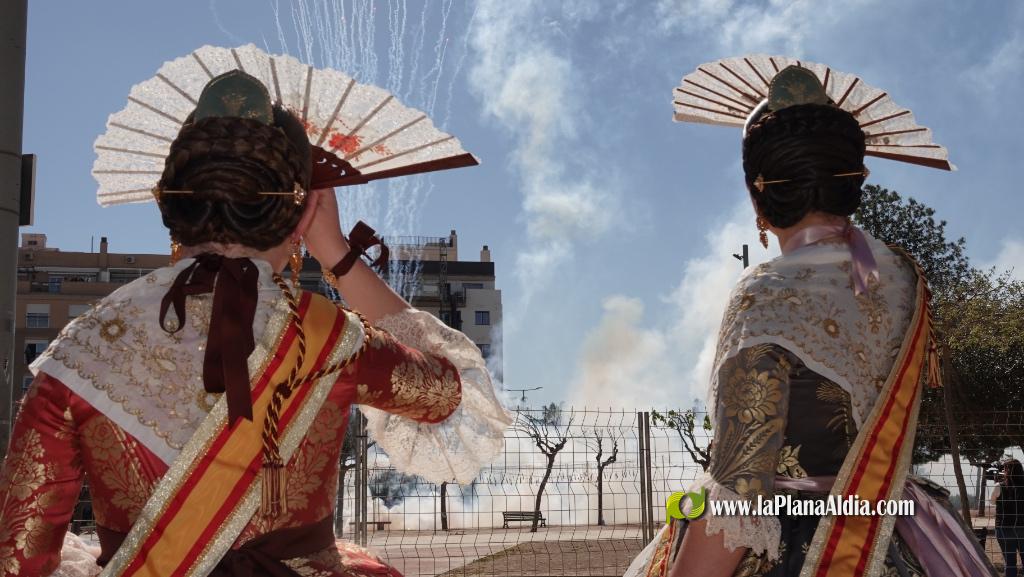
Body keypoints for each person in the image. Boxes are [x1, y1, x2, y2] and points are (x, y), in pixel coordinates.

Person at [0, 71, 510, 576]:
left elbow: (17, 556)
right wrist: (337, 254)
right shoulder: (334, 338)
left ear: (170, 203)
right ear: (297, 212)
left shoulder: (79, 349)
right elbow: (456, 393)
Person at [625, 65, 995, 577]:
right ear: (853, 183)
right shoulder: (904, 276)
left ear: (759, 198)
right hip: (898, 530)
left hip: (802, 545)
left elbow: (743, 491)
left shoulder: (765, 294)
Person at [995, 460, 1024, 577]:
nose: (1003, 471)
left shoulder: (999, 486)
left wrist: (998, 483)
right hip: (1022, 527)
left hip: (1004, 528)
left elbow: (991, 502)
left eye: (1004, 469)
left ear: (1008, 471)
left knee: (1010, 563)